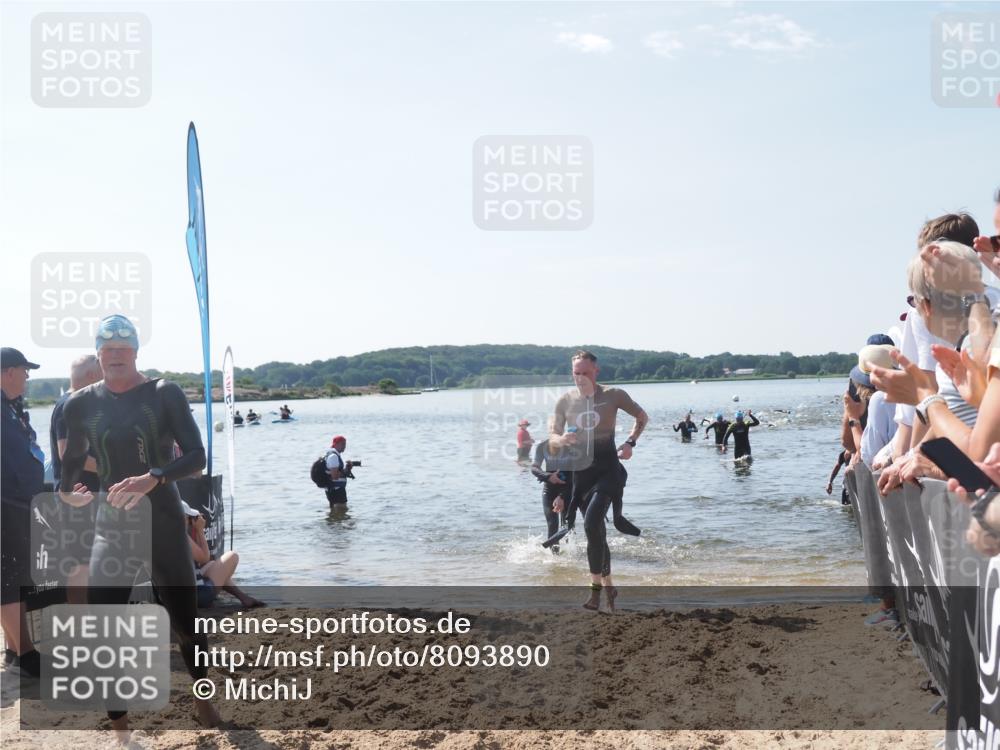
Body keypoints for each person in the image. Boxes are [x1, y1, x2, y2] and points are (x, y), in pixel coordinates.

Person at [59, 315, 220, 734]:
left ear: (135, 352)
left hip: (162, 518)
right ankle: (120, 727)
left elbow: (197, 456)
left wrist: (155, 477)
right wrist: (69, 493)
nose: (115, 356)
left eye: (123, 348)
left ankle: (203, 700)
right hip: (112, 524)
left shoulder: (164, 393)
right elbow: (71, 465)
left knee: (186, 623)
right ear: (98, 354)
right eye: (107, 349)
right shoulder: (80, 404)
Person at [549, 350, 648, 612]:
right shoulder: (565, 401)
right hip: (581, 476)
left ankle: (594, 592)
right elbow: (552, 437)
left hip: (608, 471)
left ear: (596, 371)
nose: (580, 377)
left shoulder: (614, 395)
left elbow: (642, 417)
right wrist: (562, 440)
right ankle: (609, 586)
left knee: (592, 523)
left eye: (585, 372)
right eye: (576, 373)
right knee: (597, 534)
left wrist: (630, 443)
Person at [0, 347, 43, 678]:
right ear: (8, 372)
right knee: (10, 579)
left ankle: (16, 650)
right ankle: (25, 654)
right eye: (24, 370)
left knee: (15, 577)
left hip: (17, 503)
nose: (27, 377)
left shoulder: (11, 408)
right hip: (6, 504)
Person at [50, 354, 104, 600]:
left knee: (93, 559)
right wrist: (109, 469)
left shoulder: (79, 404)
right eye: (103, 374)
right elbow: (66, 453)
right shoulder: (69, 406)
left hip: (88, 494)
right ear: (92, 376)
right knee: (81, 562)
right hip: (76, 496)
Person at [181, 500, 263, 608]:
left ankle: (244, 597)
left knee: (212, 565)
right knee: (232, 556)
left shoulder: (163, 534)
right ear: (181, 518)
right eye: (189, 518)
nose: (190, 521)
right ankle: (244, 598)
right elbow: (204, 558)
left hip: (173, 597)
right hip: (198, 597)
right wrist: (200, 531)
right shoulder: (180, 535)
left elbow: (198, 562)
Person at [529, 438, 573, 554]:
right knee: (552, 525)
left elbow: (575, 475)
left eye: (560, 429)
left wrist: (562, 496)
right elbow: (534, 468)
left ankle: (570, 555)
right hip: (549, 490)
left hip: (568, 488)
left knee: (567, 525)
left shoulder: (571, 446)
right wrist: (547, 476)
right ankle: (555, 558)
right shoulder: (542, 446)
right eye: (553, 430)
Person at [324, 435, 358, 507]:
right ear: (336, 444)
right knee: (342, 509)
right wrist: (345, 471)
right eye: (342, 444)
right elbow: (334, 476)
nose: (344, 446)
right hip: (336, 490)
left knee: (336, 512)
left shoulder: (332, 455)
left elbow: (335, 473)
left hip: (333, 489)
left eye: (345, 444)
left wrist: (347, 469)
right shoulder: (333, 456)